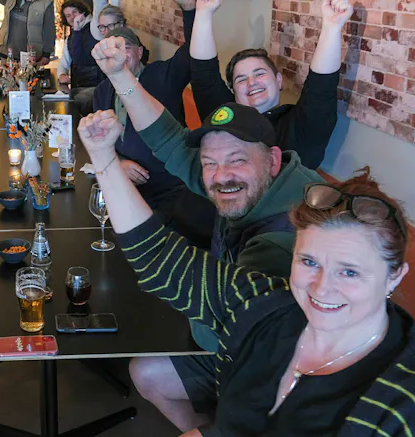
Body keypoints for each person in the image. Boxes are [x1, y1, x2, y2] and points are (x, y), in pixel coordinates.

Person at [76, 111, 415, 437]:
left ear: (394, 278)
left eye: (350, 272)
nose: (322, 287)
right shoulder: (267, 307)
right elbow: (161, 260)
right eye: (309, 262)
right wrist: (104, 158)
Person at [92, 34, 325, 410]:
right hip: (233, 334)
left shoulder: (286, 236)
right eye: (210, 162)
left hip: (278, 373)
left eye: (236, 159)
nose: (220, 176)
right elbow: (168, 138)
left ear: (274, 159)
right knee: (146, 370)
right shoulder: (255, 179)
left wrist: (103, 161)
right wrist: (120, 76)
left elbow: (173, 276)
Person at [164, 0, 352, 169]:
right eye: (241, 79)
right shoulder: (225, 117)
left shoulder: (300, 125)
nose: (251, 82)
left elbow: (321, 86)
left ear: (278, 80)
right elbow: (203, 74)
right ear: (234, 92)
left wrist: (332, 27)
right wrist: (203, 13)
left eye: (259, 73)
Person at [91, 13, 215, 248]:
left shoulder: (163, 75)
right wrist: (118, 164)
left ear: (139, 52)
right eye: (114, 48)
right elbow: (103, 138)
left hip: (171, 191)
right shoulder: (102, 91)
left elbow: (192, 49)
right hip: (129, 190)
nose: (119, 54)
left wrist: (191, 9)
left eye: (126, 47)